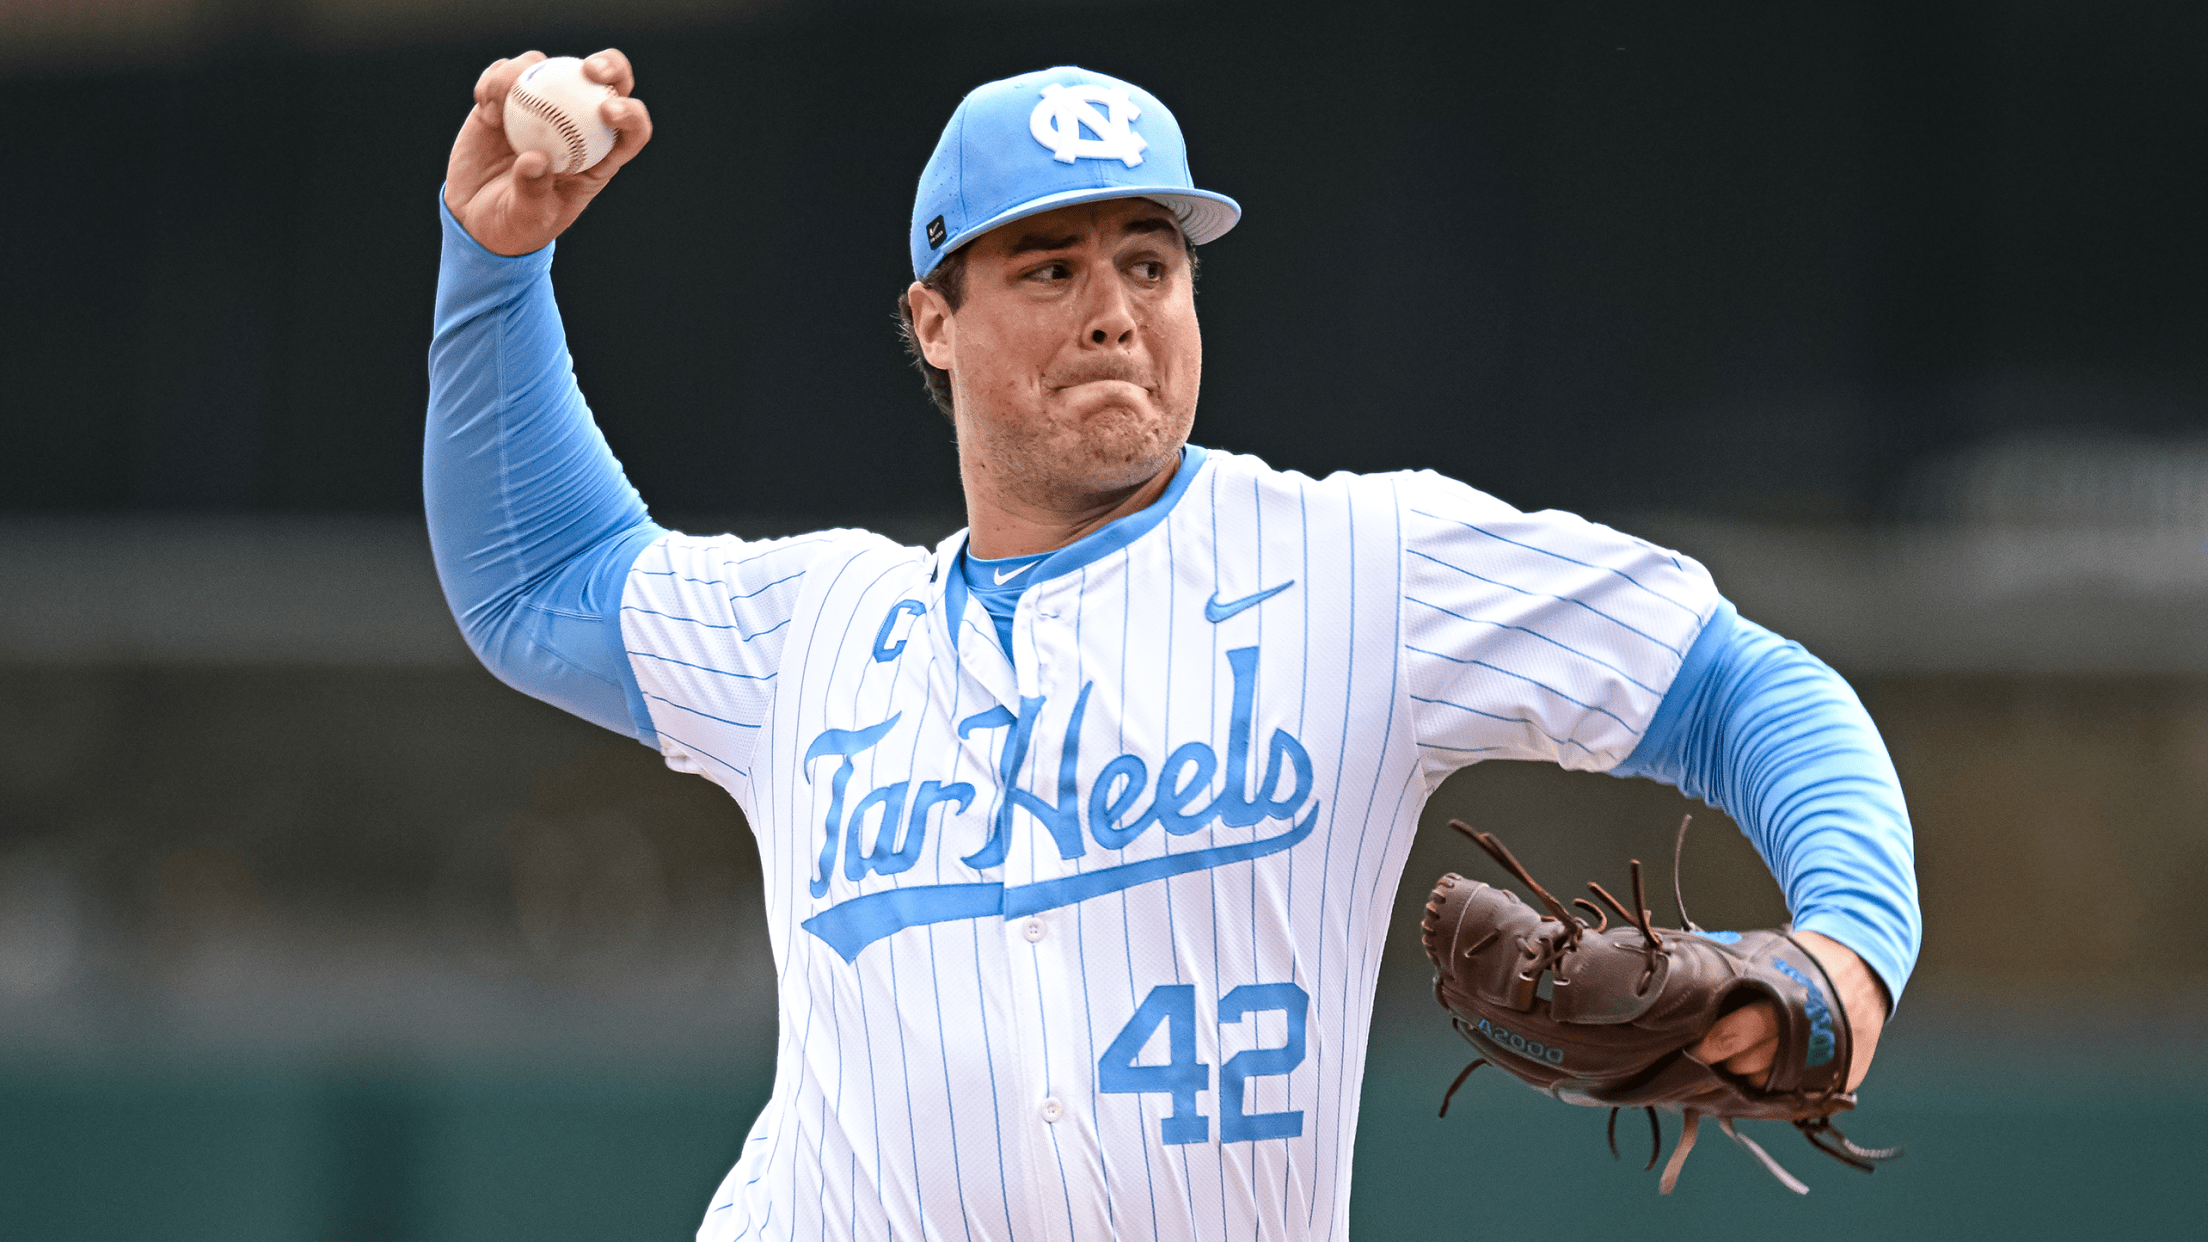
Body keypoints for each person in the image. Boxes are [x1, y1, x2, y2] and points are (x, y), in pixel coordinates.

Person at [429, 51, 1919, 1242]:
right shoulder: (815, 627)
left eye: (1150, 262)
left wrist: (1851, 952)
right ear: (932, 322)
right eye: (1048, 268)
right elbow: (542, 578)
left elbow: (1740, 685)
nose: (1113, 313)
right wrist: (494, 269)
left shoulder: (1356, 563)